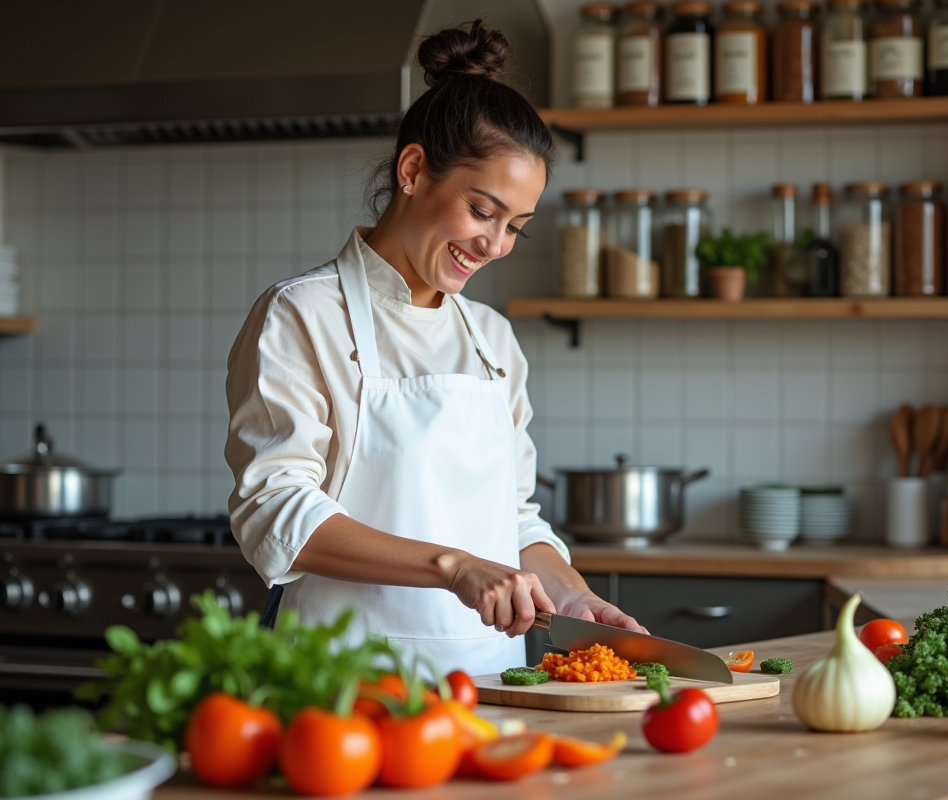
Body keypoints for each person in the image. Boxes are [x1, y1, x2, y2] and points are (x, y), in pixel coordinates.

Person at [224, 21, 645, 675]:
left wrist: (573, 593)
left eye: (516, 228)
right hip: (343, 682)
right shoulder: (303, 314)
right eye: (483, 211)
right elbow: (276, 511)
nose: (496, 244)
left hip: (493, 680)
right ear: (414, 170)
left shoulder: (492, 340)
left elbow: (511, 518)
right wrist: (452, 566)